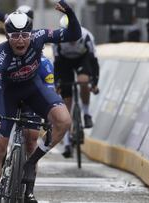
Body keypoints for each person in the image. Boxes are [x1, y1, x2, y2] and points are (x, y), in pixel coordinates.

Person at [0, 1, 82, 203]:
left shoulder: (39, 37)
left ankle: (30, 173)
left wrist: (71, 14)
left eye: (25, 35)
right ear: (7, 37)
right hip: (7, 95)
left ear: (31, 33)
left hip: (33, 90)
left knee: (59, 124)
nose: (21, 41)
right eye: (15, 37)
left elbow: (74, 35)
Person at [53, 15, 100, 158]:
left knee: (83, 81)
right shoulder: (58, 41)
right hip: (65, 63)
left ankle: (86, 113)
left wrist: (94, 83)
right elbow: (57, 64)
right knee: (67, 101)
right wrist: (57, 84)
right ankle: (67, 142)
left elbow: (93, 62)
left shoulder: (86, 37)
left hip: (82, 60)